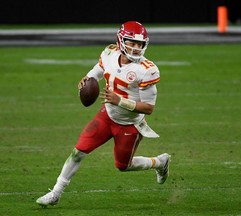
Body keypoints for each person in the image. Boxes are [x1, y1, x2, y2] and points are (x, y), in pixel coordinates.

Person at [36, 21, 171, 207]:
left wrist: (120, 101)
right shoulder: (109, 53)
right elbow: (98, 70)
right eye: (132, 42)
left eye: (140, 44)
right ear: (121, 40)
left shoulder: (147, 70)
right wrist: (88, 78)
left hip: (129, 125)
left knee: (123, 166)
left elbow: (148, 108)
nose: (136, 48)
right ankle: (55, 193)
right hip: (106, 116)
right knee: (78, 152)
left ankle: (159, 162)